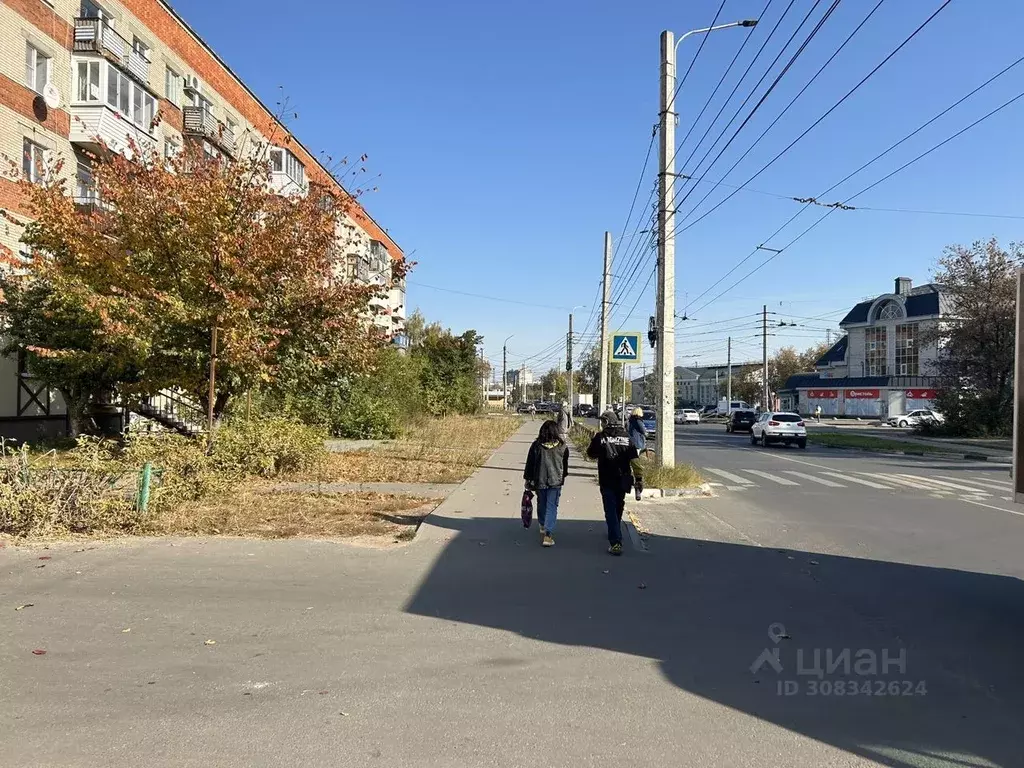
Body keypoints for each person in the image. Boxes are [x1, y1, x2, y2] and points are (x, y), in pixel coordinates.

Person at [587, 410, 642, 556]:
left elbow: (590, 454)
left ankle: (616, 542)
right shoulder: (626, 437)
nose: (601, 424)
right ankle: (615, 529)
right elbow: (635, 462)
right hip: (623, 479)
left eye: (602, 421)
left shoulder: (600, 437)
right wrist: (639, 479)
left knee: (610, 509)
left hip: (606, 479)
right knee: (619, 505)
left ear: (606, 422)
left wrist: (595, 442)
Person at [524, 419, 569, 548]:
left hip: (539, 480)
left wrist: (528, 479)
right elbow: (564, 466)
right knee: (552, 506)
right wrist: (563, 477)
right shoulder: (562, 446)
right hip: (555, 481)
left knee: (541, 503)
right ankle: (548, 535)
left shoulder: (536, 445)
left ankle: (543, 525)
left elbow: (530, 463)